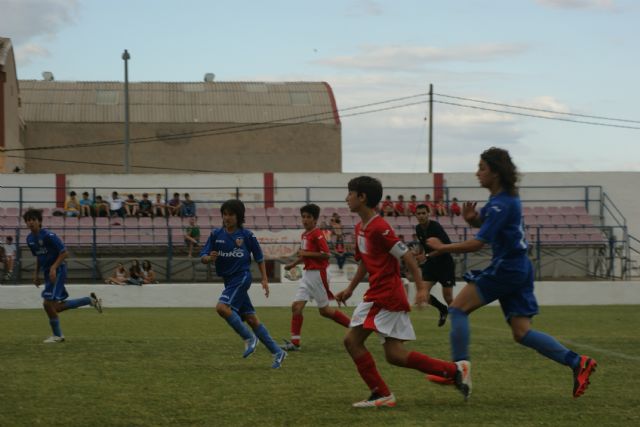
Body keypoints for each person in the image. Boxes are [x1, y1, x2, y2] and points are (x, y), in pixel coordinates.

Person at [425, 147, 597, 399]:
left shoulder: (500, 205)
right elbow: (488, 226)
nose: (477, 173)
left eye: (482, 168)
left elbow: (477, 244)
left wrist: (442, 247)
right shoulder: (502, 201)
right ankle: (577, 362)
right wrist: (472, 220)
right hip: (519, 267)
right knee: (521, 332)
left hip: (507, 267)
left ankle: (459, 369)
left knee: (457, 309)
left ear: (495, 172)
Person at [335, 176, 469, 408]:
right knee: (395, 355)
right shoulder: (360, 228)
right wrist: (350, 288)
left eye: (350, 193)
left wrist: (420, 289)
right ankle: (455, 370)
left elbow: (407, 256)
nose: (347, 198)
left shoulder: (380, 228)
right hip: (380, 293)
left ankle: (381, 394)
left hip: (385, 295)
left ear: (362, 197)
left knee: (352, 342)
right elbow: (365, 263)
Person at [200, 199, 287, 369]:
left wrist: (264, 278)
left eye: (231, 214)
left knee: (222, 308)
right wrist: (209, 258)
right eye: (225, 214)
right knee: (252, 319)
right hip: (228, 281)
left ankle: (248, 338)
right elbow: (203, 256)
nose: (227, 217)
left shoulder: (247, 236)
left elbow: (259, 257)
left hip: (241, 277)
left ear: (238, 216)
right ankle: (278, 352)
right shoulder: (216, 234)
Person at [23, 208, 103, 343]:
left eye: (33, 220)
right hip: (49, 274)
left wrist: (54, 267)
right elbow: (38, 256)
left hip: (58, 271)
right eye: (28, 220)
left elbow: (64, 252)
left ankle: (58, 336)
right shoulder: (30, 239)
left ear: (39, 221)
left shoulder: (49, 235)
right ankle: (88, 300)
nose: (31, 222)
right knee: (55, 307)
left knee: (47, 304)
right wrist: (36, 274)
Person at [280, 204, 351, 351]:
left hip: (318, 274)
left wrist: (306, 255)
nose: (305, 220)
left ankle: (354, 327)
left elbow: (326, 254)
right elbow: (305, 255)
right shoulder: (304, 235)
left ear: (315, 219)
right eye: (303, 217)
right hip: (307, 274)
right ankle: (295, 343)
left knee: (324, 311)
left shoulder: (317, 234)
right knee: (296, 307)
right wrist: (293, 264)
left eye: (308, 217)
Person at [414, 204, 455, 327]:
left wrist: (425, 256)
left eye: (423, 213)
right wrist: (418, 253)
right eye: (418, 213)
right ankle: (442, 309)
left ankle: (458, 319)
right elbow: (422, 244)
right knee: (422, 294)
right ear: (416, 215)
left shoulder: (436, 227)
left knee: (448, 297)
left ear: (428, 214)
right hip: (431, 264)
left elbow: (445, 248)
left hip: (445, 263)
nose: (421, 216)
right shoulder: (418, 228)